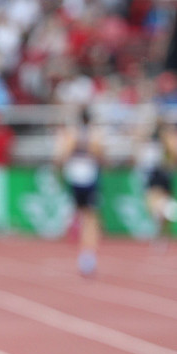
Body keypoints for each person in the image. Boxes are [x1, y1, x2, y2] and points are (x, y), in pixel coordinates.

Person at [54, 104, 104, 276]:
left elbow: (62, 156)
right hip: (88, 177)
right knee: (91, 217)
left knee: (84, 214)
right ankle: (87, 255)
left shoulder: (72, 133)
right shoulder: (93, 134)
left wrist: (60, 172)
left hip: (75, 176)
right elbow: (101, 154)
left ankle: (72, 221)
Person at [135, 113, 177, 242]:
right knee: (155, 205)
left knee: (153, 202)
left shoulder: (167, 137)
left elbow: (173, 153)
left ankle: (171, 209)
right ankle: (161, 234)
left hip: (159, 172)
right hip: (154, 172)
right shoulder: (152, 136)